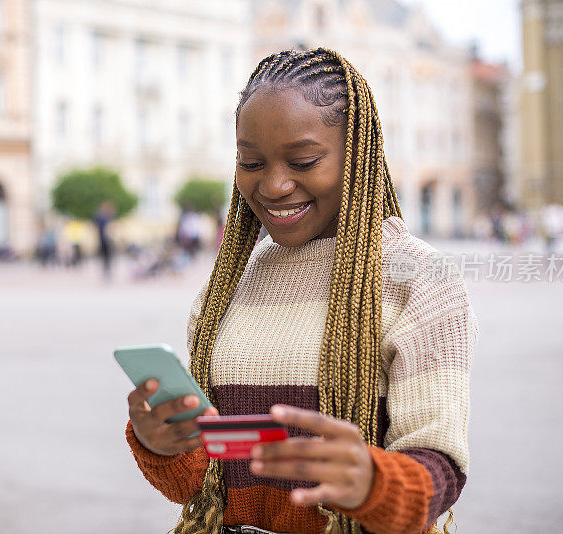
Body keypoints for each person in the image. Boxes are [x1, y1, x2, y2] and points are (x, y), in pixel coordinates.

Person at [124, 48, 478, 534]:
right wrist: (163, 445)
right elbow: (204, 486)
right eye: (251, 161)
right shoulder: (230, 282)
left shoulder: (420, 279)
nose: (273, 184)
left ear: (358, 155)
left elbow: (440, 472)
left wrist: (371, 483)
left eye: (304, 160)